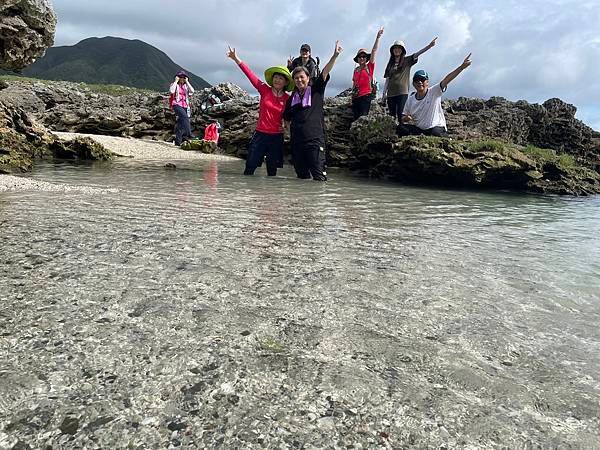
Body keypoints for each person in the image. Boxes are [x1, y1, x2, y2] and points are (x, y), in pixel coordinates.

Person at [227, 46, 294, 176]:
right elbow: (250, 74)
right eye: (276, 77)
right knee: (250, 167)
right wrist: (236, 59)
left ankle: (270, 196)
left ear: (285, 82)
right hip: (260, 134)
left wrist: (290, 131)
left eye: (281, 78)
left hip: (277, 136)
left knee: (272, 171)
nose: (277, 80)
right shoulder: (264, 89)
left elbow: (291, 116)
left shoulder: (288, 98)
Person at [283, 41, 343, 181]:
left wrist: (335, 56)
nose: (299, 80)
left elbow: (325, 71)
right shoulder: (292, 97)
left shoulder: (316, 90)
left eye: (302, 77)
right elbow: (286, 116)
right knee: (301, 178)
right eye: (296, 78)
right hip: (297, 143)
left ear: (308, 78)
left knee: (319, 179)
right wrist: (287, 129)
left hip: (315, 141)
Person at [398, 54, 472, 138]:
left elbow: (447, 79)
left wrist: (461, 67)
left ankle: (448, 139)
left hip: (435, 127)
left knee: (435, 133)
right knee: (400, 128)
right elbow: (403, 116)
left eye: (422, 80)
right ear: (413, 84)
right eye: (417, 80)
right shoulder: (410, 100)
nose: (419, 82)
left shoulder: (434, 92)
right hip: (420, 130)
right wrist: (406, 118)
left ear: (427, 82)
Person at [382, 37, 437, 123]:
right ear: (392, 50)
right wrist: (383, 94)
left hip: (402, 93)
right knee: (392, 116)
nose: (397, 50)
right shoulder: (390, 64)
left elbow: (418, 54)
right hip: (390, 94)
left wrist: (429, 46)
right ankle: (391, 133)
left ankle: (401, 133)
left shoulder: (407, 60)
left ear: (402, 50)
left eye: (399, 48)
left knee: (401, 114)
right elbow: (387, 80)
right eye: (395, 48)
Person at [351, 28, 384, 121]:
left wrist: (378, 37)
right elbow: (354, 84)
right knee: (355, 119)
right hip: (356, 98)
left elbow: (374, 51)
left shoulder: (369, 67)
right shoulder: (356, 70)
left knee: (362, 119)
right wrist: (352, 97)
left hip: (366, 97)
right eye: (360, 57)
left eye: (364, 56)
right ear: (357, 59)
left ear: (366, 58)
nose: (362, 58)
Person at [169, 70, 195, 146]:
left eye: (184, 77)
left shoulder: (186, 86)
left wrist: (187, 82)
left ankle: (178, 141)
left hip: (185, 105)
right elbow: (171, 91)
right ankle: (189, 134)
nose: (182, 79)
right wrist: (176, 81)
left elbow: (192, 91)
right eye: (181, 77)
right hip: (176, 104)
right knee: (185, 118)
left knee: (180, 123)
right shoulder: (174, 85)